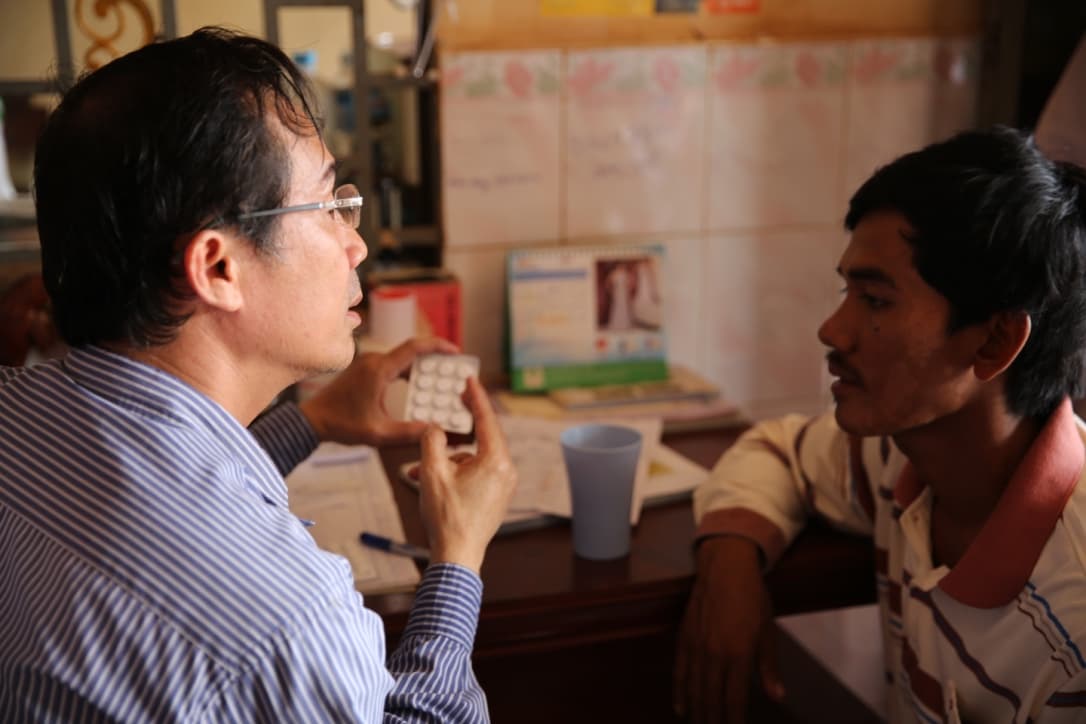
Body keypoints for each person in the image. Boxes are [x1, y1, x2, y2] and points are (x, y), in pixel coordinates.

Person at [0, 27, 516, 721]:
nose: (356, 240)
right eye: (331, 205)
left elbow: (168, 478)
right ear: (217, 268)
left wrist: (312, 420)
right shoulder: (285, 629)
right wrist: (457, 557)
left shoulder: (17, 410)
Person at [673, 126, 1086, 723]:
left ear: (996, 340)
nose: (831, 331)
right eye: (847, 291)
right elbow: (778, 450)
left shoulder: (1073, 626)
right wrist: (729, 561)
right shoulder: (903, 460)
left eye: (875, 301)